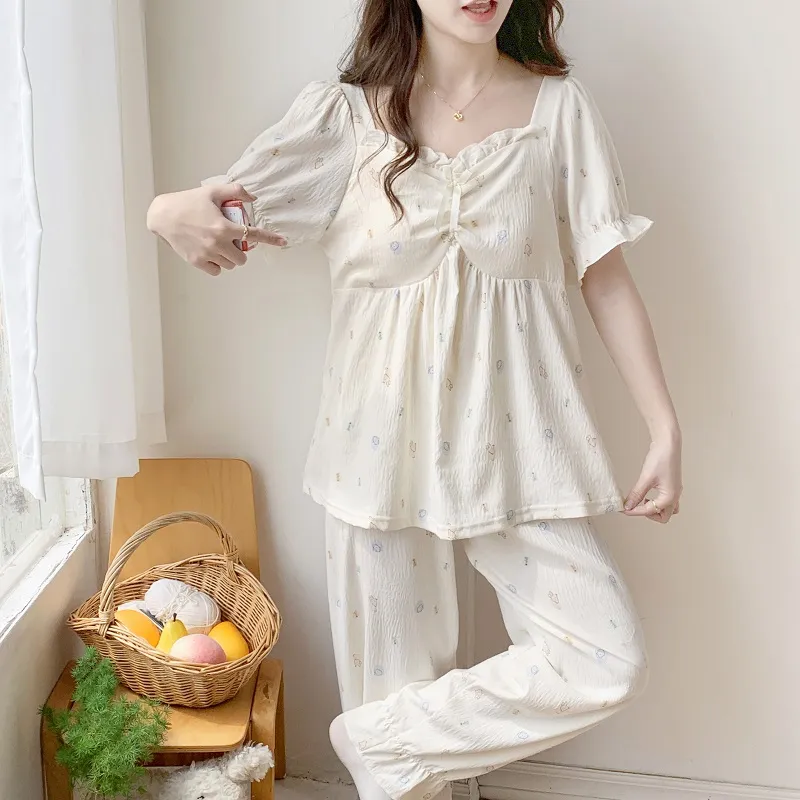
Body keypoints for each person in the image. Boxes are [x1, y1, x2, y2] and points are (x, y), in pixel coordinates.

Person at [147, 1, 682, 797]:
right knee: (411, 754)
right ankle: (391, 750)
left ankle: (374, 741)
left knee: (604, 658)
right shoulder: (344, 119)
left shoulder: (557, 112)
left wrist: (663, 426)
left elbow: (603, 276)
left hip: (521, 445)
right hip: (375, 455)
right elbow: (223, 208)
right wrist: (165, 209)